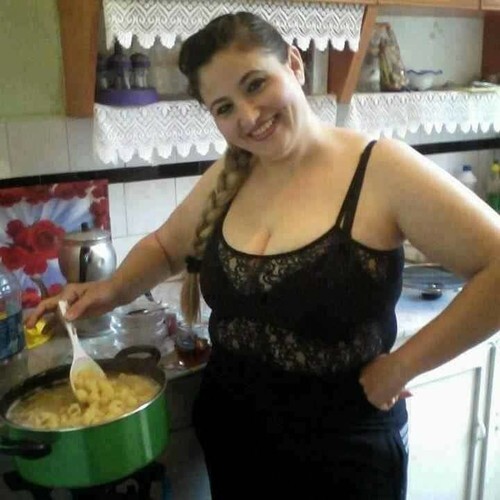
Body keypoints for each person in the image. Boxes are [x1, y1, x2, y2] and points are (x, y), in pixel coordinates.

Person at [27, 11, 500, 500]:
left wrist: (403, 366)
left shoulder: (381, 169)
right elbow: (166, 247)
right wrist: (107, 292)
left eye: (256, 84)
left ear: (293, 64)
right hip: (235, 441)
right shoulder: (232, 174)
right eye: (224, 107)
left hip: (343, 456)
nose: (248, 117)